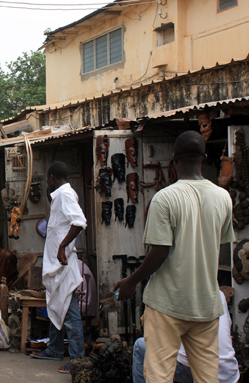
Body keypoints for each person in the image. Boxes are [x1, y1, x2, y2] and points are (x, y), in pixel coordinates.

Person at [114, 131, 234, 383]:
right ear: (204, 158)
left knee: (158, 375)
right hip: (205, 305)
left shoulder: (165, 198)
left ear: (174, 159)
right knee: (207, 377)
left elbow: (159, 252)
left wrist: (131, 281)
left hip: (167, 304)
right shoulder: (223, 198)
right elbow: (219, 244)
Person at [31, 162, 87, 375]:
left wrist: (63, 246)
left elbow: (79, 222)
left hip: (63, 266)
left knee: (70, 312)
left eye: (48, 179)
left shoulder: (65, 195)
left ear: (52, 177)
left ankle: (77, 359)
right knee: (57, 306)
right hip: (56, 265)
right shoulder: (60, 195)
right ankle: (54, 349)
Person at [132, 290, 239, 383]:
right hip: (229, 371)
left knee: (139, 346)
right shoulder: (219, 294)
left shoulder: (178, 295)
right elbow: (227, 327)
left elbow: (164, 337)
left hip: (199, 369)